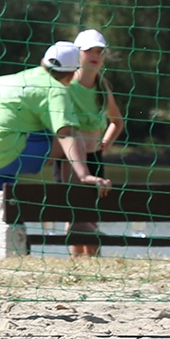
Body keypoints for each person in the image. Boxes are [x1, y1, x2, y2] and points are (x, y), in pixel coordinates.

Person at [0, 41, 112, 212]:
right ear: (71, 76)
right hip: (4, 154)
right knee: (75, 142)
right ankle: (77, 215)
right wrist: (85, 174)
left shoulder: (17, 78)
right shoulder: (56, 89)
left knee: (1, 218)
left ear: (42, 62)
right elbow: (66, 133)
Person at [57, 29, 125, 256]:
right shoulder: (67, 86)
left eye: (99, 51)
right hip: (70, 160)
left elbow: (117, 122)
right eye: (89, 51)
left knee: (92, 216)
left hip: (95, 157)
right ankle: (77, 264)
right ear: (77, 53)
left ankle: (93, 264)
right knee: (75, 216)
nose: (95, 55)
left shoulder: (102, 87)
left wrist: (105, 143)